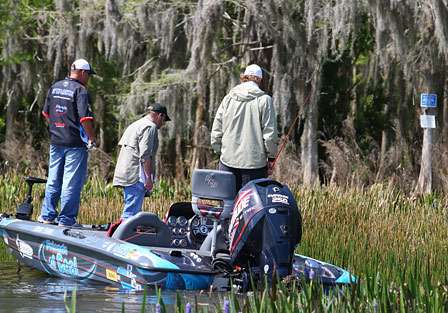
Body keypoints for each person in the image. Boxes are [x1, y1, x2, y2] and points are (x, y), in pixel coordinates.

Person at [39, 58, 96, 227]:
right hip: (75, 144)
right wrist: (92, 137)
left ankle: (47, 216)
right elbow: (85, 118)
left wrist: (58, 127)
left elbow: (46, 114)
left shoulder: (55, 86)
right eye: (89, 75)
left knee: (53, 180)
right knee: (71, 182)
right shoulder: (81, 90)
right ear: (83, 72)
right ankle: (66, 220)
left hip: (56, 141)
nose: (88, 79)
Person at [211, 64, 278, 191]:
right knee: (251, 206)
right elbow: (270, 135)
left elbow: (216, 130)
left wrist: (220, 151)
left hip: (227, 161)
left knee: (228, 204)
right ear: (259, 79)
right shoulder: (265, 100)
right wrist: (271, 158)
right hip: (255, 165)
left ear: (245, 78)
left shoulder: (228, 98)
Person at [113, 103, 170, 220]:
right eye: (164, 120)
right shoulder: (150, 127)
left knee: (130, 210)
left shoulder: (135, 125)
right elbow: (145, 155)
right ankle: (123, 238)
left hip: (126, 173)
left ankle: (122, 234)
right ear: (160, 115)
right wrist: (148, 177)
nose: (163, 123)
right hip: (136, 176)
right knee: (130, 216)